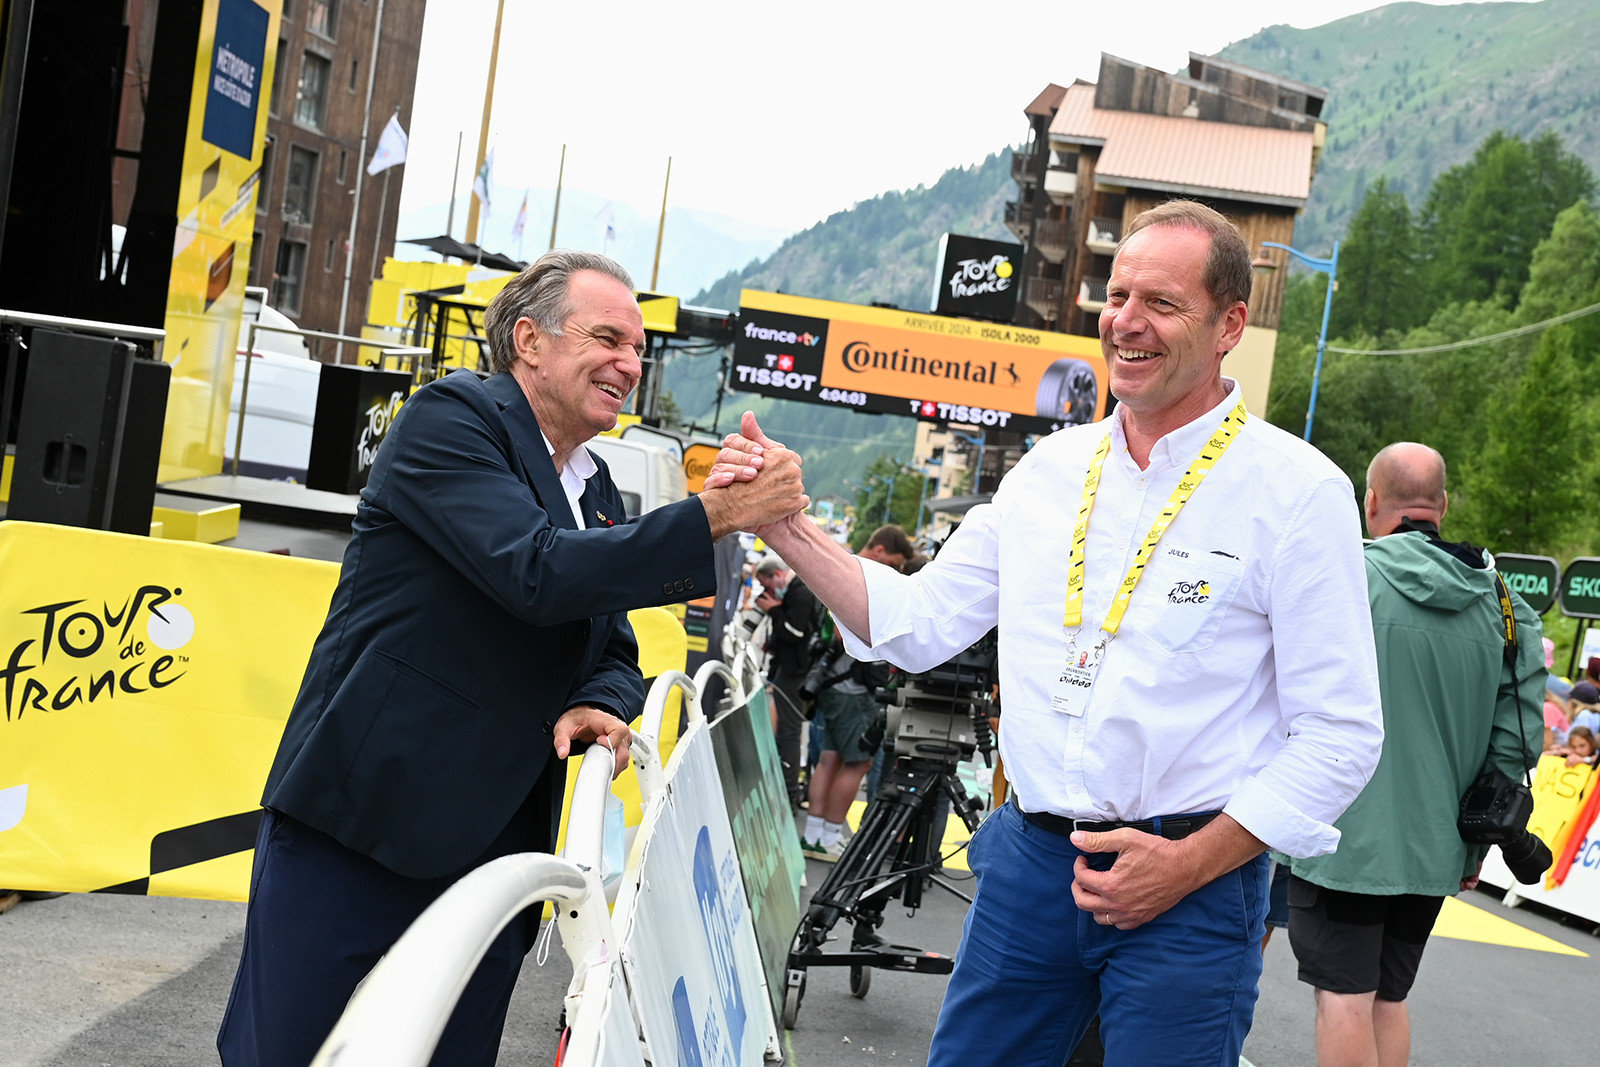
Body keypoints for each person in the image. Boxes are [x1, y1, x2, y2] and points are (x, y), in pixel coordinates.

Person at [709, 200, 1384, 1064]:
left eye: (1162, 304)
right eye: (1118, 294)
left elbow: (1341, 733)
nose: (1126, 322)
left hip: (1190, 883)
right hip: (1031, 866)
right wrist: (786, 525)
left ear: (1230, 325)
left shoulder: (1298, 491)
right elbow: (909, 624)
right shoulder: (1048, 472)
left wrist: (1191, 864)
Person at [216, 250, 807, 1067]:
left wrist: (601, 696)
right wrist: (712, 514)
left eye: (637, 349)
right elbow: (536, 572)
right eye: (608, 338)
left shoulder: (595, 486)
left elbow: (614, 641)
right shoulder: (451, 419)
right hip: (360, 821)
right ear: (529, 339)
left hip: (494, 843)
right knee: (282, 1052)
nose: (630, 364)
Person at [1286, 442, 1544, 1067]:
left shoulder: (1344, 577)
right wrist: (1474, 844)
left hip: (1340, 835)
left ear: (1370, 502)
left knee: (1342, 998)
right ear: (1443, 506)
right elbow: (1517, 743)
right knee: (1388, 999)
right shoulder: (1508, 607)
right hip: (1438, 844)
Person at [799, 525, 912, 860]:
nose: (897, 571)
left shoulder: (836, 565)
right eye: (895, 562)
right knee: (858, 762)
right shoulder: (861, 576)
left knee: (829, 759)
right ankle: (831, 835)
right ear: (879, 551)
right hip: (853, 686)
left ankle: (815, 835)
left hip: (830, 684)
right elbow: (846, 629)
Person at [753, 554, 822, 805]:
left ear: (778, 575)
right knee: (785, 729)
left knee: (789, 731)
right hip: (790, 670)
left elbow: (795, 632)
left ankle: (789, 790)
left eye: (767, 585)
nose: (767, 592)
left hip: (796, 673)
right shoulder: (796, 591)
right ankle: (786, 784)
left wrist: (773, 611)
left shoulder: (800, 593)